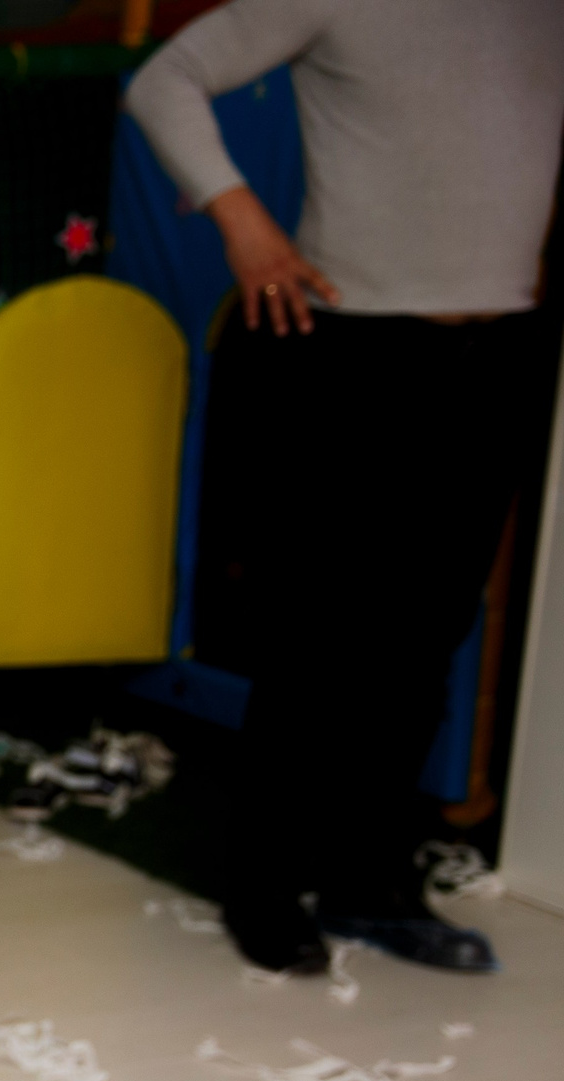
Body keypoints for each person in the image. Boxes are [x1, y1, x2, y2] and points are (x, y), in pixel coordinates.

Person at [125, 0, 564, 976]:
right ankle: (264, 889)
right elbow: (164, 82)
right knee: (321, 630)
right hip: (356, 346)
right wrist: (241, 221)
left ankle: (371, 888)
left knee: (426, 635)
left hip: (495, 354)